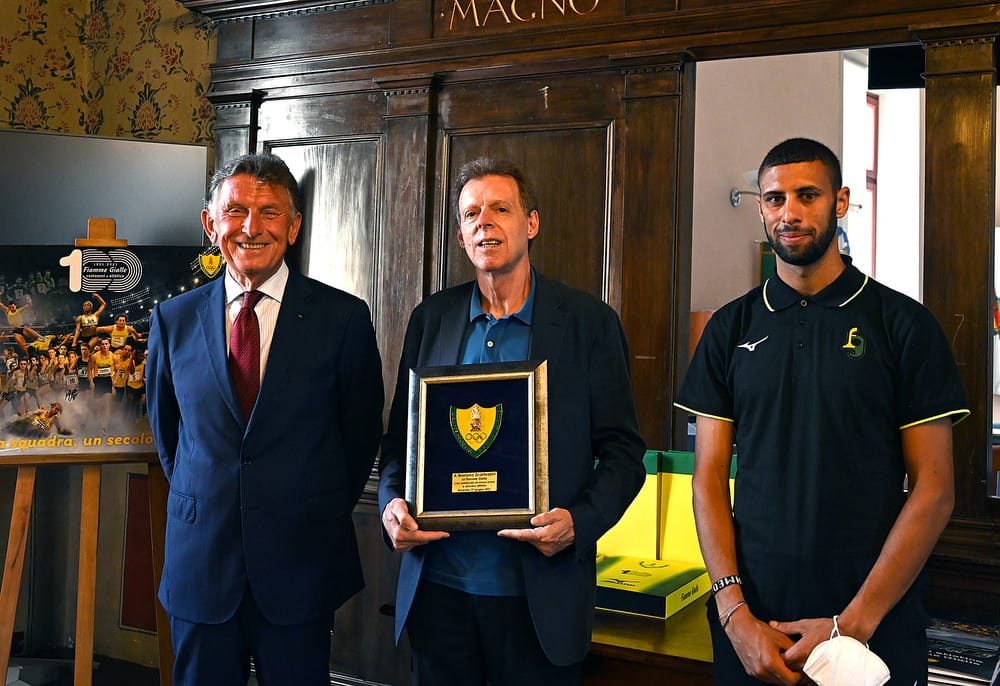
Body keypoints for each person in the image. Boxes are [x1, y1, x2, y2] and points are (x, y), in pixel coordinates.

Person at [676, 138, 969, 685]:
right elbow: (708, 478)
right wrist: (733, 614)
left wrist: (851, 625)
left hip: (873, 627)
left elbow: (935, 489)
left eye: (807, 195)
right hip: (754, 626)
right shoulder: (729, 328)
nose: (789, 212)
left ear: (841, 201)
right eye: (774, 199)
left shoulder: (903, 325)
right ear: (761, 208)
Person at [377, 157, 646, 685]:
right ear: (461, 236)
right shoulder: (430, 319)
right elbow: (398, 444)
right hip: (439, 594)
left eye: (500, 209)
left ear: (531, 223)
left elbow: (623, 453)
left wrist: (579, 523)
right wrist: (390, 505)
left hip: (539, 600)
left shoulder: (588, 323)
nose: (485, 222)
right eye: (471, 214)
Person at [146, 152, 384, 686]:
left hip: (301, 563)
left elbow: (360, 436)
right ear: (211, 224)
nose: (252, 227)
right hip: (202, 564)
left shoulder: (343, 319)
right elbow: (169, 436)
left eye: (270, 212)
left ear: (293, 227)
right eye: (235, 211)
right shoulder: (172, 319)